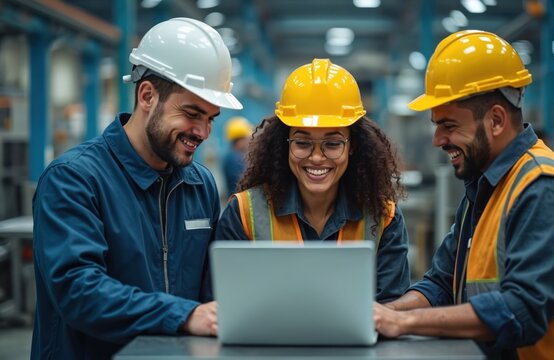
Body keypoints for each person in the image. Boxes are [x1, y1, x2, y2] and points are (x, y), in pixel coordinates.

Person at [31, 18, 242, 359]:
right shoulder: (74, 179)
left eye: (211, 118)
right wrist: (183, 315)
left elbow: (210, 292)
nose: (202, 132)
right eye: (192, 113)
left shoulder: (199, 185)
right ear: (147, 96)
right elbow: (78, 291)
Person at [373, 30, 554, 360]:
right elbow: (441, 283)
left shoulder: (540, 186)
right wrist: (380, 314)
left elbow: (522, 310)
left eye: (449, 125)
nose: (437, 140)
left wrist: (404, 321)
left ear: (496, 120)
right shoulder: (484, 186)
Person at [215, 59, 411, 302]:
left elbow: (391, 309)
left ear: (353, 147)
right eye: (302, 143)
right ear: (283, 145)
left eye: (332, 144)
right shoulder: (244, 214)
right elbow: (226, 305)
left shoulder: (384, 217)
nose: (317, 157)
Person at [222, 116, 253, 196]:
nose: (249, 140)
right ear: (240, 139)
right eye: (247, 138)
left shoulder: (233, 156)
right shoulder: (234, 159)